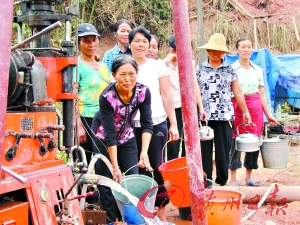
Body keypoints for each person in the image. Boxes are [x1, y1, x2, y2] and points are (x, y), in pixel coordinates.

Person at [91, 54, 153, 223]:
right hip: (104, 139)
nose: (127, 79)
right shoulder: (107, 97)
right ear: (113, 75)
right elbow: (110, 135)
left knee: (132, 179)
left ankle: (132, 220)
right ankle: (112, 220)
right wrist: (115, 166)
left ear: (137, 73)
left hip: (127, 137)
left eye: (131, 74)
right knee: (108, 182)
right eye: (122, 74)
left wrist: (144, 152)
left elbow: (147, 124)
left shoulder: (143, 92)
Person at [127, 26, 179, 222]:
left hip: (157, 123)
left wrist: (173, 124)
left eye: (144, 41)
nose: (141, 45)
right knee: (135, 169)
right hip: (130, 125)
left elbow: (166, 96)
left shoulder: (158, 66)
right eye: (137, 41)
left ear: (149, 45)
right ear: (129, 44)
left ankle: (162, 212)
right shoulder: (124, 65)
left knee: (157, 167)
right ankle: (139, 214)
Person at [196, 33, 251, 186]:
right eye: (212, 50)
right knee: (205, 152)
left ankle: (222, 181)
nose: (215, 53)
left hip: (224, 116)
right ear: (207, 51)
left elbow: (238, 92)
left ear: (223, 53)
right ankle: (206, 181)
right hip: (204, 117)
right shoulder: (199, 69)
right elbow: (195, 91)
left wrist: (245, 111)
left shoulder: (230, 69)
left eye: (218, 51)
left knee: (222, 151)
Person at [228, 37, 278, 186]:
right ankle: (233, 178)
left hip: (255, 107)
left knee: (254, 142)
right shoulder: (231, 69)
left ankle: (248, 177)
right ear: (237, 49)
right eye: (243, 47)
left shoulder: (258, 70)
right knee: (236, 141)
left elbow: (262, 94)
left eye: (249, 47)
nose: (246, 49)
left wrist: (268, 115)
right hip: (237, 107)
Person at [163, 34, 206, 161]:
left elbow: (194, 85)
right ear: (169, 48)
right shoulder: (162, 64)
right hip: (172, 109)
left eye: (179, 50)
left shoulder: (189, 62)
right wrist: (166, 62)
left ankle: (188, 169)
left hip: (188, 107)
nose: (176, 53)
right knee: (173, 144)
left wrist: (201, 108)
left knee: (190, 141)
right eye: (173, 49)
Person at [75, 23, 111, 164]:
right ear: (78, 43)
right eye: (86, 41)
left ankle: (100, 186)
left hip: (103, 118)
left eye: (94, 40)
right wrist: (77, 125)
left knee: (102, 161)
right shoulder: (76, 66)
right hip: (85, 118)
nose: (91, 44)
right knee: (82, 162)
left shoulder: (103, 66)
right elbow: (72, 97)